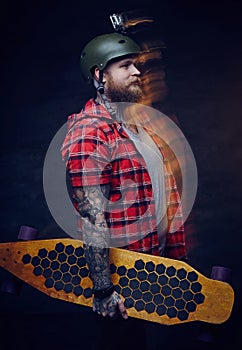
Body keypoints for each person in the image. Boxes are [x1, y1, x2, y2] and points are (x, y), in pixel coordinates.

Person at [61, 32, 187, 342]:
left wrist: (175, 269)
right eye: (126, 66)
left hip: (151, 268)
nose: (137, 73)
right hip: (121, 278)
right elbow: (91, 219)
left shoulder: (140, 124)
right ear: (99, 75)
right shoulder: (89, 133)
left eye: (137, 66)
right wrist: (103, 290)